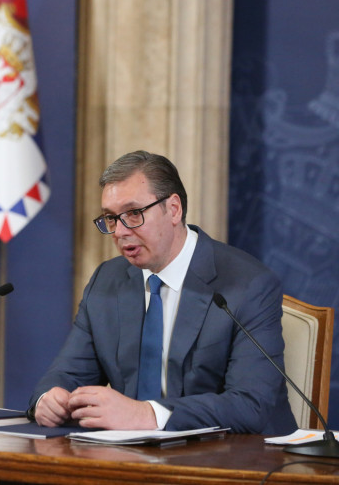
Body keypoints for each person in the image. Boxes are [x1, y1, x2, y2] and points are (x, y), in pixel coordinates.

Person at [29, 150, 297, 435]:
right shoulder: (106, 281)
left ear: (173, 210)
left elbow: (250, 405)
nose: (119, 232)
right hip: (129, 454)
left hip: (232, 453)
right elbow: (68, 374)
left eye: (133, 214)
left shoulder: (248, 284)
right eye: (110, 218)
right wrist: (49, 399)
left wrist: (145, 414)